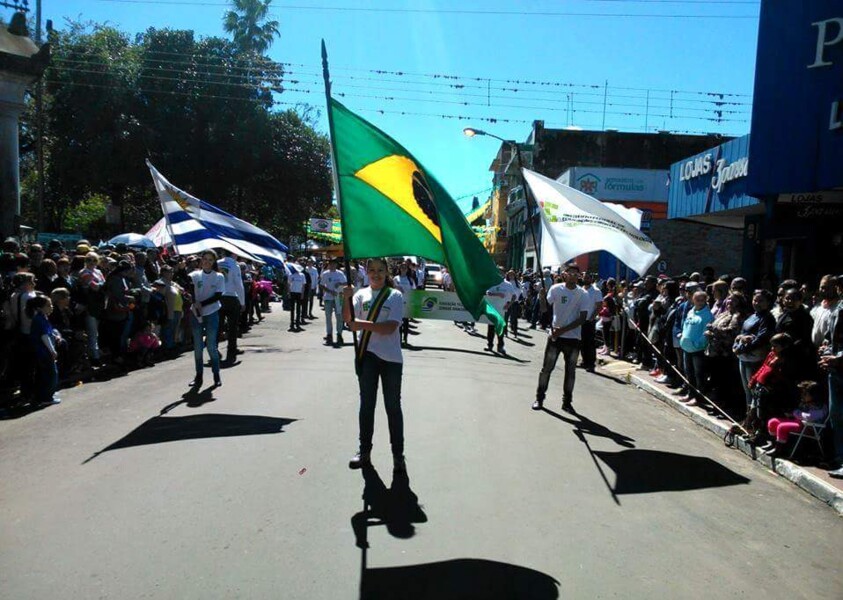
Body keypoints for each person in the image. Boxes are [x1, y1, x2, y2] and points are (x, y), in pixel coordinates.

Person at [342, 257, 407, 471]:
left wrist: (361, 325)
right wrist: (346, 298)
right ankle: (364, 451)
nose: (376, 274)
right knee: (367, 406)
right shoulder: (360, 294)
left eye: (380, 270)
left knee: (393, 407)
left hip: (391, 360)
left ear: (387, 272)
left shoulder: (395, 295)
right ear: (367, 272)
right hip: (367, 355)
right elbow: (349, 321)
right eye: (372, 270)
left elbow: (390, 327)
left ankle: (398, 454)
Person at [532, 264, 590, 413]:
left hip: (573, 339)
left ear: (579, 276)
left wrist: (562, 330)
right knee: (546, 369)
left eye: (575, 274)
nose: (572, 275)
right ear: (564, 274)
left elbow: (582, 318)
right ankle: (539, 398)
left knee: (570, 372)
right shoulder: (556, 289)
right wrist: (542, 297)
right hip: (555, 338)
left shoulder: (583, 294)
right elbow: (545, 309)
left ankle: (567, 402)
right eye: (569, 273)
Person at [761, 381, 827, 457]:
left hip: (809, 427)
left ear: (814, 396)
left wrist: (795, 413)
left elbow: (809, 417)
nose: (802, 396)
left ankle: (779, 449)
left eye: (805, 394)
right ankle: (773, 443)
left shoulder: (821, 408)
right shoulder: (805, 403)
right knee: (773, 422)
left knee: (781, 427)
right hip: (799, 422)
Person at [189, 250, 224, 388]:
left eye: (210, 260)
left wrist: (202, 304)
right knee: (198, 347)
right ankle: (199, 376)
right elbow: (189, 289)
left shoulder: (219, 276)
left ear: (214, 261)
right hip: (196, 313)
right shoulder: (194, 275)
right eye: (205, 259)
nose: (207, 262)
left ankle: (216, 374)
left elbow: (218, 296)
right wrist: (194, 302)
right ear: (201, 260)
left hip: (212, 312)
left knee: (211, 346)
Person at [678, 290, 714, 406]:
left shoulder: (708, 315)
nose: (699, 302)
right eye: (697, 299)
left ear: (705, 300)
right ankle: (690, 393)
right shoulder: (690, 312)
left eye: (702, 299)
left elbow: (706, 333)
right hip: (686, 347)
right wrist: (683, 336)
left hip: (697, 350)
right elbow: (685, 326)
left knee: (699, 375)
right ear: (693, 300)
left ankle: (699, 398)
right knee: (689, 373)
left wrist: (697, 344)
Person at [27, 295, 62, 406]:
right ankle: (46, 397)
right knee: (51, 374)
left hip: (41, 352)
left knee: (43, 374)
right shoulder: (39, 319)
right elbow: (44, 336)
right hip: (43, 352)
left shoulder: (42, 317)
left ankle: (43, 395)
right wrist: (52, 351)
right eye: (48, 305)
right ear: (39, 308)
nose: (51, 307)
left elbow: (49, 332)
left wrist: (55, 335)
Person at [217, 249, 245, 364]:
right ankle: (231, 350)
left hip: (218, 297)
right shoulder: (235, 265)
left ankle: (214, 348)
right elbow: (238, 284)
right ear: (233, 253)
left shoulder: (217, 263)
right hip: (231, 297)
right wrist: (242, 302)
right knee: (232, 326)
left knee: (218, 326)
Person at [485, 275, 518, 355]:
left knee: (501, 329)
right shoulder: (493, 283)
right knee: (491, 329)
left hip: (502, 310)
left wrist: (509, 305)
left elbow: (514, 296)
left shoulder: (508, 284)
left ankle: (500, 347)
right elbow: (488, 292)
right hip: (493, 310)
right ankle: (490, 345)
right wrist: (497, 294)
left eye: (501, 273)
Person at [320, 258, 347, 346]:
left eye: (334, 264)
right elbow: (321, 285)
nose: (332, 265)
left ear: (336, 264)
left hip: (338, 298)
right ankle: (329, 335)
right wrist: (329, 291)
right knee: (328, 317)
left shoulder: (340, 273)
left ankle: (339, 334)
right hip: (328, 298)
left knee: (339, 317)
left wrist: (340, 284)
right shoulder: (325, 274)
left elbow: (346, 283)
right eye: (331, 264)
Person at [580, 272, 604, 372]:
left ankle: (591, 364)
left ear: (591, 279)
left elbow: (599, 306)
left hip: (589, 320)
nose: (586, 279)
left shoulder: (596, 291)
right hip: (580, 320)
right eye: (584, 277)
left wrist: (591, 318)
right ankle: (584, 361)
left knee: (589, 343)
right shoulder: (580, 290)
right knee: (581, 342)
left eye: (588, 278)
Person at [392, 262, 416, 347]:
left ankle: (405, 339)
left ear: (407, 269)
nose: (403, 268)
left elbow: (413, 290)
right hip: (397, 303)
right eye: (402, 267)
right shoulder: (396, 278)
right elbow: (392, 289)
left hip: (407, 304)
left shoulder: (410, 279)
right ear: (399, 269)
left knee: (406, 322)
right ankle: (398, 340)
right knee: (398, 323)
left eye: (405, 267)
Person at [287, 262, 305, 332]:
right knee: (292, 309)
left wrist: (302, 294)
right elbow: (288, 284)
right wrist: (288, 292)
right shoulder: (291, 275)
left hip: (299, 293)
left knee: (298, 309)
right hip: (293, 292)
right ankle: (292, 323)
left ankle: (297, 323)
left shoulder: (302, 275)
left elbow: (303, 285)